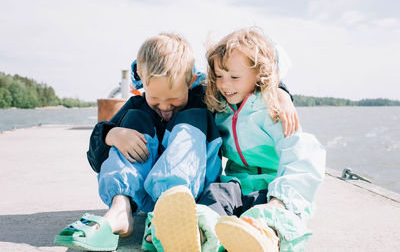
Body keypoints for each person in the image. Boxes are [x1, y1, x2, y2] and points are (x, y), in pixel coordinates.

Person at [54, 31, 298, 252]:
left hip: (188, 190)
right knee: (133, 120)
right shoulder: (139, 104)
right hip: (139, 192)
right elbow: (95, 155)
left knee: (192, 118)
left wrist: (280, 91)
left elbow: (246, 82)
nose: (165, 108)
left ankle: (169, 208)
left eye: (174, 99)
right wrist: (112, 135)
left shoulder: (204, 95)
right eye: (155, 99)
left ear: (191, 80)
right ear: (143, 83)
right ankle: (120, 209)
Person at [150, 28, 326, 252]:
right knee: (213, 197)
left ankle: (266, 235)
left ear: (259, 73)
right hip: (235, 184)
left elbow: (297, 154)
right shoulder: (219, 106)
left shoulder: (274, 107)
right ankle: (196, 234)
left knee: (280, 211)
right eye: (219, 76)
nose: (224, 85)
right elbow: (179, 79)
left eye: (234, 77)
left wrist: (279, 199)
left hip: (273, 187)